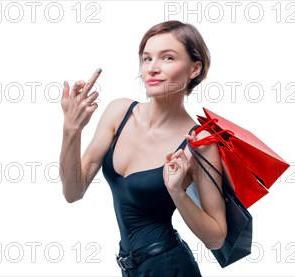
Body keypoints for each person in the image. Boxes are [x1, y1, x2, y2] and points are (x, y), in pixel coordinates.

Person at [59, 20, 227, 276]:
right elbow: (73, 191)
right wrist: (72, 130)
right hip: (130, 268)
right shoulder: (119, 112)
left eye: (168, 58)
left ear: (194, 68)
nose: (152, 68)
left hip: (170, 267)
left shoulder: (199, 142)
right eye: (146, 58)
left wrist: (177, 192)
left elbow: (216, 238)